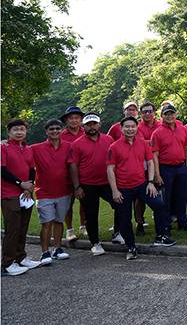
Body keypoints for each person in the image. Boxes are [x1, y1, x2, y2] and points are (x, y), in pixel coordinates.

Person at [107, 116, 176, 260]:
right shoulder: (114, 147)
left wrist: (150, 182)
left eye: (133, 126)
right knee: (125, 218)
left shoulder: (143, 143)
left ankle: (160, 236)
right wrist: (115, 191)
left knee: (159, 205)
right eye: (127, 127)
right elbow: (110, 169)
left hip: (141, 184)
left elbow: (150, 163)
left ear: (137, 128)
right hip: (123, 188)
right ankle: (131, 247)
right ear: (121, 129)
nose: (130, 129)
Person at [68, 113, 122, 254]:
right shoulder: (77, 144)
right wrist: (77, 187)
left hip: (107, 182)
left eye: (94, 124)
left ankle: (117, 233)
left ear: (99, 124)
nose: (92, 127)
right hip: (87, 184)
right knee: (91, 214)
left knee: (120, 205)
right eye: (88, 125)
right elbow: (73, 166)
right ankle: (95, 243)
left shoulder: (108, 139)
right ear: (83, 126)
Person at [1, 119, 41, 275]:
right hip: (9, 194)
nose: (19, 132)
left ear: (26, 131)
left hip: (25, 193)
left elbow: (32, 169)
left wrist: (29, 186)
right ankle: (7, 263)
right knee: (13, 229)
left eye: (22, 129)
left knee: (23, 227)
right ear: (9, 132)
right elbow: (2, 170)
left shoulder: (27, 148)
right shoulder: (3, 147)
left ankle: (20, 257)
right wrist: (20, 183)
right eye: (15, 129)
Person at [31, 119, 73, 264]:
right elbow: (20, 151)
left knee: (59, 221)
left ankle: (57, 248)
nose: (55, 131)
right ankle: (45, 252)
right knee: (47, 223)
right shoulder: (36, 148)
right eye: (51, 129)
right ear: (46, 132)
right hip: (44, 192)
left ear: (62, 130)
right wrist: (4, 142)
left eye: (57, 128)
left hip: (64, 191)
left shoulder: (68, 146)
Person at [150, 104, 187, 232]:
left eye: (172, 113)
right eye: (166, 114)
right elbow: (154, 155)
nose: (169, 116)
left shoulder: (183, 130)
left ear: (176, 115)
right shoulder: (157, 133)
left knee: (181, 196)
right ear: (161, 116)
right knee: (166, 198)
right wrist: (157, 174)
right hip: (165, 168)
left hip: (181, 168)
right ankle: (166, 224)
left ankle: (182, 223)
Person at [59, 105, 85, 241]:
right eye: (71, 118)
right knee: (68, 203)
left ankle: (83, 226)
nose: (74, 120)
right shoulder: (61, 135)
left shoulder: (86, 132)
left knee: (85, 202)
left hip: (84, 173)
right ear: (66, 120)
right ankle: (69, 230)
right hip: (66, 174)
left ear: (81, 119)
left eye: (77, 118)